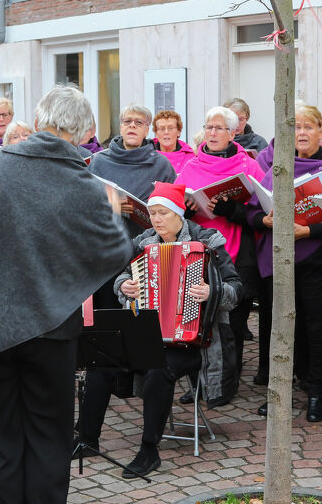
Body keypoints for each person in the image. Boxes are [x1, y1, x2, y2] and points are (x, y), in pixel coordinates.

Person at [0, 85, 132, 504]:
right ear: (83, 134)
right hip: (50, 327)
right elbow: (116, 251)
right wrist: (111, 214)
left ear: (39, 121)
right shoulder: (87, 185)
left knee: (0, 438)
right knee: (48, 437)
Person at [76, 182, 241, 477]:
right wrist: (123, 286)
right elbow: (123, 276)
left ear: (179, 214)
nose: (156, 219)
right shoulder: (144, 242)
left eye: (163, 213)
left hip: (193, 341)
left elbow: (236, 289)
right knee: (100, 364)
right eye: (152, 213)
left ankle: (149, 450)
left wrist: (211, 291)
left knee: (159, 369)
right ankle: (87, 440)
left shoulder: (208, 241)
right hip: (147, 335)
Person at [246, 103, 322, 421]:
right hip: (277, 259)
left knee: (316, 328)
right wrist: (265, 221)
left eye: (308, 126)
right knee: (280, 328)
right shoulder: (277, 167)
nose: (301, 133)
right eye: (295, 127)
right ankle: (280, 391)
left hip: (317, 260)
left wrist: (308, 230)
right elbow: (252, 211)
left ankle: (316, 391)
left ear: (321, 131)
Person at [179, 106, 265, 402]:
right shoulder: (189, 166)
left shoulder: (249, 167)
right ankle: (198, 384)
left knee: (232, 325)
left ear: (233, 132)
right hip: (198, 254)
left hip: (236, 253)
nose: (212, 133)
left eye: (219, 128)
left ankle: (227, 385)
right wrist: (185, 210)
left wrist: (234, 210)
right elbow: (176, 212)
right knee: (196, 321)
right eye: (208, 127)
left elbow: (263, 211)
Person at [89, 104, 176, 237]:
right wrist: (109, 206)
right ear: (121, 127)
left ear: (147, 130)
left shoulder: (161, 165)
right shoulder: (98, 161)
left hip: (146, 242)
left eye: (139, 122)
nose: (132, 125)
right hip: (105, 240)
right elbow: (83, 203)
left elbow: (173, 209)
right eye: (127, 121)